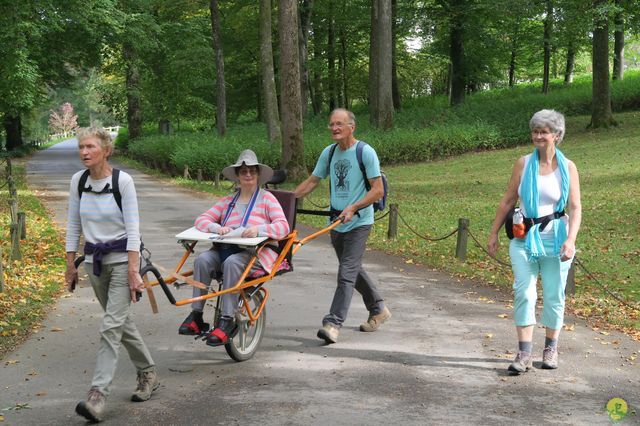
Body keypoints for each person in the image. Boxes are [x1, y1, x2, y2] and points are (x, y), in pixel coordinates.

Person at [65, 127, 158, 423]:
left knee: (110, 326)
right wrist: (70, 265)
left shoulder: (123, 182)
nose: (84, 152)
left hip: (121, 263)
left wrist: (134, 271)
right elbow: (72, 226)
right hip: (94, 264)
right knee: (120, 322)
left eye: (90, 147)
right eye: (81, 147)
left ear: (106, 150)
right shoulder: (78, 182)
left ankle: (97, 395)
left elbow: (133, 230)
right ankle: (148, 372)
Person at [487, 109, 582, 373]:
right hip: (524, 237)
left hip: (556, 238)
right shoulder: (523, 163)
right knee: (524, 292)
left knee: (553, 295)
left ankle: (551, 348)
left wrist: (571, 239)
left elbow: (575, 207)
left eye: (544, 132)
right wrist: (493, 232)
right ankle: (524, 353)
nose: (538, 136)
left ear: (557, 135)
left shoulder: (568, 167)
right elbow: (508, 200)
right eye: (535, 131)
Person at [294, 108, 391, 344]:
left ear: (351, 127)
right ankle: (378, 308)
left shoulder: (365, 152)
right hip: (336, 223)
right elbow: (312, 181)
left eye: (339, 124)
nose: (334, 128)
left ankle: (333, 323)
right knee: (353, 270)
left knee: (346, 273)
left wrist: (354, 207)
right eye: (331, 124)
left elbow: (377, 190)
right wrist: (286, 199)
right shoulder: (329, 153)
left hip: (359, 222)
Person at [178, 149, 290, 346]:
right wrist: (217, 227)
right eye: (244, 171)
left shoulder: (267, 199)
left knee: (231, 263)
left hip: (256, 254)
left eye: (252, 171)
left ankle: (227, 320)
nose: (248, 175)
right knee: (203, 260)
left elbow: (283, 227)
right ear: (237, 176)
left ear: (258, 175)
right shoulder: (228, 201)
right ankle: (196, 315)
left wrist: (259, 229)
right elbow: (201, 220)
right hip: (226, 248)